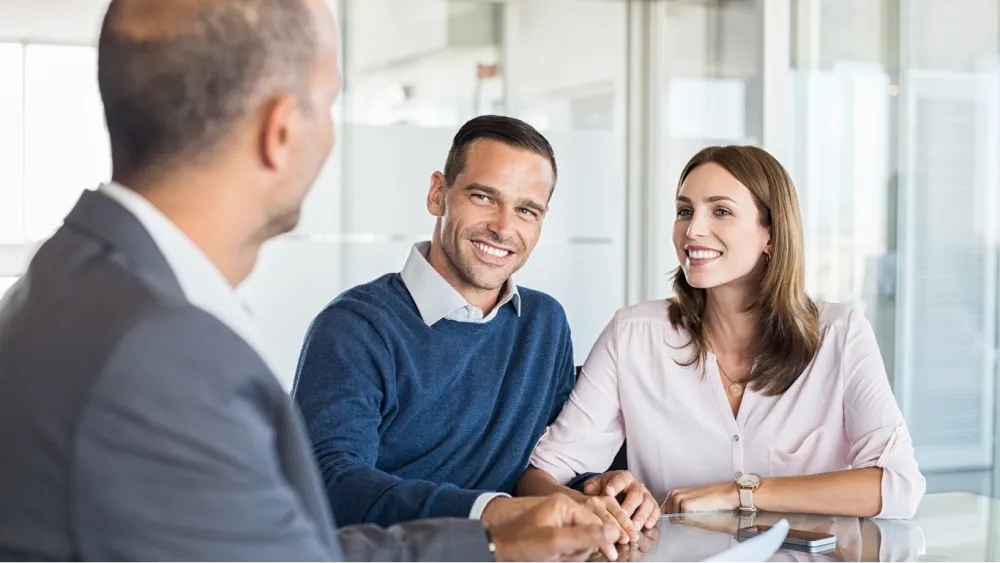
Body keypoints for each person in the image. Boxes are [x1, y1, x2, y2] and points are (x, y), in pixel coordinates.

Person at [0, 1, 619, 561]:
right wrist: (490, 532)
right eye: (329, 105)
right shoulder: (163, 350)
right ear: (282, 129)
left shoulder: (73, 292)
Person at [291, 115, 649, 556]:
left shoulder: (544, 323)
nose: (503, 227)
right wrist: (494, 512)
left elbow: (545, 465)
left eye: (526, 210)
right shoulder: (354, 327)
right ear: (438, 193)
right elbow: (331, 483)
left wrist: (596, 489)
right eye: (483, 197)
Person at [517, 145, 926, 521]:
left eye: (721, 211)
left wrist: (740, 493)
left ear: (770, 233)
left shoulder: (839, 335)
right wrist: (596, 511)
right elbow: (537, 478)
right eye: (684, 211)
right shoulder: (633, 336)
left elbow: (899, 486)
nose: (693, 230)